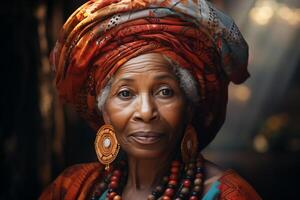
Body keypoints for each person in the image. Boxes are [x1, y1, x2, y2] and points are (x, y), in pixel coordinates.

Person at [40, 0, 262, 199]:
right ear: (104, 111)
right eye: (125, 93)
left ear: (188, 107)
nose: (146, 112)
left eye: (165, 92)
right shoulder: (70, 189)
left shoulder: (229, 195)